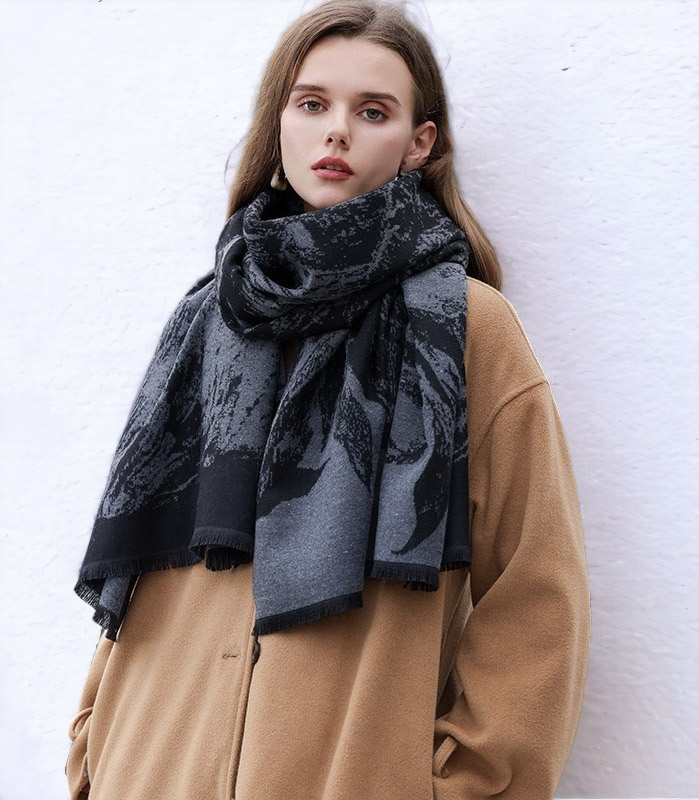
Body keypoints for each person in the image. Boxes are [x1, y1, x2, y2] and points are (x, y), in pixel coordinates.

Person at [65, 1, 591, 799]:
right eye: (311, 103)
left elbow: (535, 587)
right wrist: (94, 747)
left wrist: (468, 784)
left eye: (372, 111)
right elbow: (141, 562)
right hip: (149, 770)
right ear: (278, 123)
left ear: (419, 143)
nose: (336, 131)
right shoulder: (206, 319)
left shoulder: (465, 329)